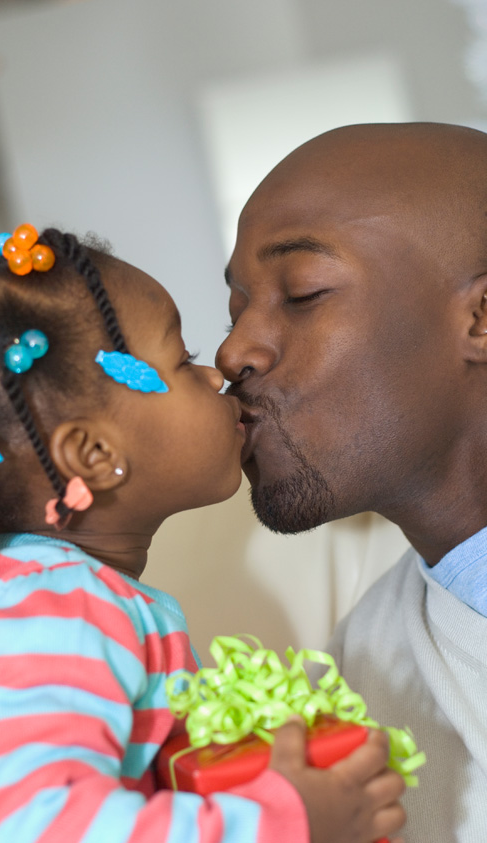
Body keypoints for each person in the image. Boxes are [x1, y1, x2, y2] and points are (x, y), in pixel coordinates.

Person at [0, 225, 405, 843]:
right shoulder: (62, 609)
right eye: (182, 360)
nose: (216, 376)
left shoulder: (41, 594)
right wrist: (283, 822)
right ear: (96, 455)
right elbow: (41, 826)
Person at [215, 121, 487, 842]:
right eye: (236, 306)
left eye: (301, 292)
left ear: (482, 318)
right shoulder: (356, 676)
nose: (233, 347)